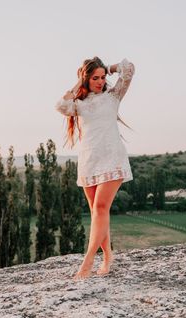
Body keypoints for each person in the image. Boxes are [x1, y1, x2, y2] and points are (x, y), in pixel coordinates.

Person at [55, 56, 135, 281]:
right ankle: (108, 257)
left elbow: (129, 69)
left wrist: (109, 69)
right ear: (87, 79)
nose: (100, 81)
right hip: (89, 160)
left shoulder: (113, 97)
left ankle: (88, 259)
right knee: (97, 213)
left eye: (102, 77)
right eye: (95, 78)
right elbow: (60, 106)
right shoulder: (79, 105)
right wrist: (79, 82)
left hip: (112, 158)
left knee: (100, 207)